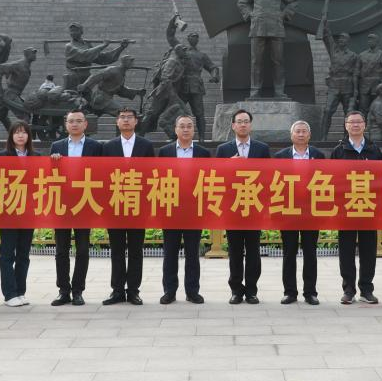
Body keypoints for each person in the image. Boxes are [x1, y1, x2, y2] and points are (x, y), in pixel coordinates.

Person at [216, 108, 271, 303]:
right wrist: (227, 166)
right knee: (235, 251)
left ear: (251, 125)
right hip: (233, 207)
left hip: (254, 206)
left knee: (254, 251)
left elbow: (268, 177)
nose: (243, 124)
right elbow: (216, 179)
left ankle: (252, 290)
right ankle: (236, 290)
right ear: (233, 126)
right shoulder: (223, 150)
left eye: (246, 121)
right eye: (239, 121)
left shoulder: (262, 149)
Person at [49, 109, 103, 305]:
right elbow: (49, 176)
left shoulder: (95, 147)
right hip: (62, 204)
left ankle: (78, 290)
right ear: (66, 124)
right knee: (61, 250)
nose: (75, 124)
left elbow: (102, 174)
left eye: (79, 121)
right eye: (71, 121)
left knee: (82, 249)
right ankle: (63, 290)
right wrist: (53, 163)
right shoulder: (57, 146)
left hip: (85, 203)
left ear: (85, 125)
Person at [101, 107, 155, 305]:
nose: (125, 120)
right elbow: (102, 176)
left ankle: (133, 290)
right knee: (116, 250)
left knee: (135, 250)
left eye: (129, 117)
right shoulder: (108, 147)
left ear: (136, 122)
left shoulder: (146, 146)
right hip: (115, 206)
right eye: (122, 118)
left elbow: (151, 175)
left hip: (137, 206)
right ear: (117, 122)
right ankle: (117, 290)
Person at [330, 110, 382, 305]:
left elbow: (381, 178)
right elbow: (333, 180)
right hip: (346, 208)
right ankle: (349, 289)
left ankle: (366, 289)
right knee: (346, 250)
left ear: (364, 125)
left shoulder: (374, 150)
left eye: (358, 122)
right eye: (351, 122)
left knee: (369, 249)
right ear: (346, 126)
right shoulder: (339, 151)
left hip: (368, 207)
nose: (355, 125)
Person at [159, 115, 210, 304]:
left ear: (194, 130)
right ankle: (169, 291)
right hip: (171, 209)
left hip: (193, 210)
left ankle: (192, 291)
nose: (186, 129)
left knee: (192, 253)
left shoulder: (203, 153)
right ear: (175, 129)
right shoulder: (165, 152)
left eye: (189, 126)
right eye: (182, 126)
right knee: (170, 253)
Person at [274, 121, 326, 304]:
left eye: (305, 131)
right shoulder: (280, 157)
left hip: (311, 211)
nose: (301, 134)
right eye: (298, 131)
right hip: (288, 211)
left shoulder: (319, 156)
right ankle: (290, 292)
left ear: (309, 135)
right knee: (289, 252)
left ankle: (310, 292)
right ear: (291, 135)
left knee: (310, 253)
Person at [0, 122, 35, 307]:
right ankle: (9, 293)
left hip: (28, 212)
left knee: (23, 254)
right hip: (8, 211)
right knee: (7, 254)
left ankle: (20, 291)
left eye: (24, 133)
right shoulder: (2, 157)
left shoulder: (36, 157)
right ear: (11, 136)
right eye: (17, 133)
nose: (20, 136)